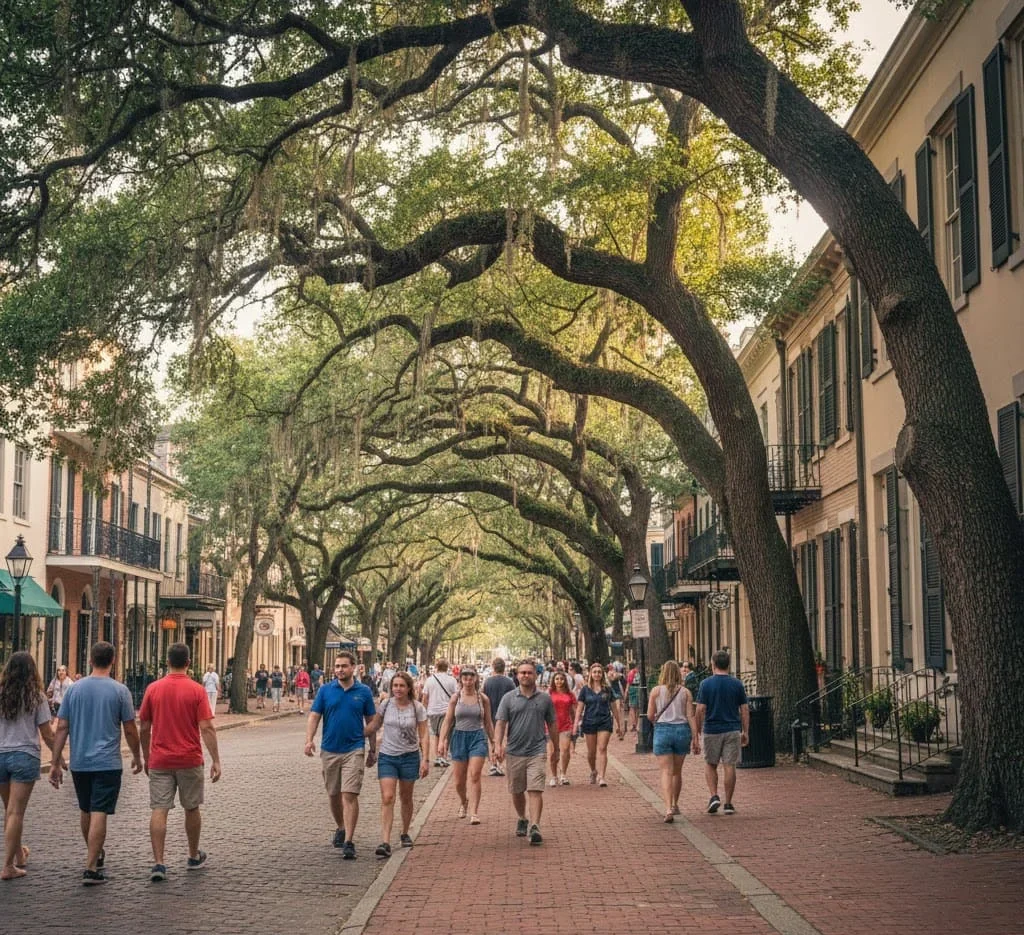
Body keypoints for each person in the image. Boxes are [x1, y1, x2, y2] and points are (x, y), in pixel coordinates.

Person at [49, 641, 143, 885]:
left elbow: (61, 727)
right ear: (113, 661)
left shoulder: (74, 690)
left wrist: (55, 760)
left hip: (80, 761)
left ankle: (95, 853)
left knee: (86, 809)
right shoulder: (120, 691)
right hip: (107, 762)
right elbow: (130, 729)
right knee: (99, 810)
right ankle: (91, 867)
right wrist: (137, 755)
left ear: (90, 660)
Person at [138, 643, 222, 881]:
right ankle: (193, 855)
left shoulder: (153, 689)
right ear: (188, 663)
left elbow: (144, 727)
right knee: (192, 807)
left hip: (160, 760)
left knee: (159, 809)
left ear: (167, 662)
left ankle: (158, 863)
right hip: (189, 758)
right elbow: (206, 727)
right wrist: (216, 760)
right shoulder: (196, 691)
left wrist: (146, 756)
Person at [304, 651, 377, 859]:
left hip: (354, 749)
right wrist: (309, 740)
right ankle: (341, 826)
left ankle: (349, 841)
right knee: (334, 794)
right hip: (330, 749)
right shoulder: (326, 691)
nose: (339, 670)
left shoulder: (363, 692)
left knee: (349, 794)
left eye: (344, 666)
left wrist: (372, 750)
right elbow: (314, 717)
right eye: (337, 666)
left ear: (353, 667)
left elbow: (371, 721)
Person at [0, 652, 62, 880]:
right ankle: (7, 866)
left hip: (0, 755)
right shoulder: (36, 697)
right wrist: (58, 758)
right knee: (15, 811)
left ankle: (18, 855)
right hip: (24, 756)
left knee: (9, 810)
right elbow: (47, 733)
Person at [362, 671, 428, 858]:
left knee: (406, 797)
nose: (398, 689)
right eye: (395, 686)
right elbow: (374, 725)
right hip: (388, 756)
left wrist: (425, 759)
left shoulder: (417, 708)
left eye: (401, 686)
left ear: (409, 688)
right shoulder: (385, 705)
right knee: (388, 797)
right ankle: (385, 841)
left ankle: (405, 832)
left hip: (409, 756)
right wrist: (355, 734)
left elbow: (423, 734)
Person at [494, 660, 557, 845]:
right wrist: (498, 744)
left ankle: (535, 825)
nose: (525, 676)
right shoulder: (508, 698)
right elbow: (500, 723)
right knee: (516, 790)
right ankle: (522, 817)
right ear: (517, 675)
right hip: (514, 751)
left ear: (535, 675)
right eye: (522, 673)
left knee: (535, 789)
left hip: (537, 750)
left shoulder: (544, 698)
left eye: (529, 673)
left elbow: (552, 724)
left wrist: (556, 747)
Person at [694, 650, 749, 815]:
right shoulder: (737, 684)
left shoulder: (706, 684)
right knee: (729, 765)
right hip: (732, 729)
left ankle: (714, 796)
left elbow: (700, 709)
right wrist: (745, 730)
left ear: (713, 664)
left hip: (712, 729)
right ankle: (729, 803)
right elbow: (744, 709)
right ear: (728, 664)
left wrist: (697, 730)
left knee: (711, 764)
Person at [438, 666, 493, 824]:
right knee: (458, 781)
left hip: (478, 737)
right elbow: (448, 721)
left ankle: (474, 812)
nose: (468, 680)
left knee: (475, 775)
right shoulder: (456, 698)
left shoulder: (483, 699)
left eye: (471, 677)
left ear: (476, 679)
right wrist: (442, 741)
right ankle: (464, 801)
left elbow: (488, 722)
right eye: (465, 677)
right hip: (459, 737)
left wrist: (494, 742)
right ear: (461, 679)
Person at [647, 660, 698, 822]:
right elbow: (690, 716)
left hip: (662, 730)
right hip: (681, 730)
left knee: (666, 772)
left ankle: (667, 808)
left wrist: (657, 720)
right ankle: (675, 804)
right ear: (678, 673)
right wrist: (695, 737)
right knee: (677, 771)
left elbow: (649, 714)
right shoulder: (685, 692)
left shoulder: (656, 691)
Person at [573, 662, 621, 787]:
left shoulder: (607, 689)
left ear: (602, 674)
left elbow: (614, 708)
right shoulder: (585, 690)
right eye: (594, 672)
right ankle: (593, 770)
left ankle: (602, 776)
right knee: (591, 752)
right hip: (589, 722)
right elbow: (579, 708)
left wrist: (619, 724)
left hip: (604, 721)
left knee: (602, 748)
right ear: (590, 674)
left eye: (599, 672)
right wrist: (575, 724)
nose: (597, 674)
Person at [421, 659, 457, 768]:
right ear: (447, 667)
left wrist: (423, 710)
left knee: (436, 734)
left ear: (436, 667)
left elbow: (425, 697)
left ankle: (437, 756)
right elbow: (456, 696)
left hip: (432, 711)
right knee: (445, 735)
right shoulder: (452, 680)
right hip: (447, 711)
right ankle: (444, 757)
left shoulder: (430, 680)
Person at [482, 658, 515, 776]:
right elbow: (514, 699)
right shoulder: (510, 682)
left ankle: (493, 764)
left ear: (493, 667)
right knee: (504, 740)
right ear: (504, 667)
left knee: (492, 740)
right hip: (506, 716)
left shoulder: (487, 682)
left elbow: (483, 698)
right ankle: (500, 764)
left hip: (490, 715)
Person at [546, 670, 576, 786]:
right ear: (553, 681)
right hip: (551, 726)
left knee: (565, 751)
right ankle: (554, 776)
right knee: (553, 752)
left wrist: (575, 725)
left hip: (566, 725)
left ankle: (563, 774)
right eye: (557, 679)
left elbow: (573, 711)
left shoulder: (570, 694)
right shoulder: (549, 693)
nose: (559, 681)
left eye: (561, 679)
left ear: (565, 681)